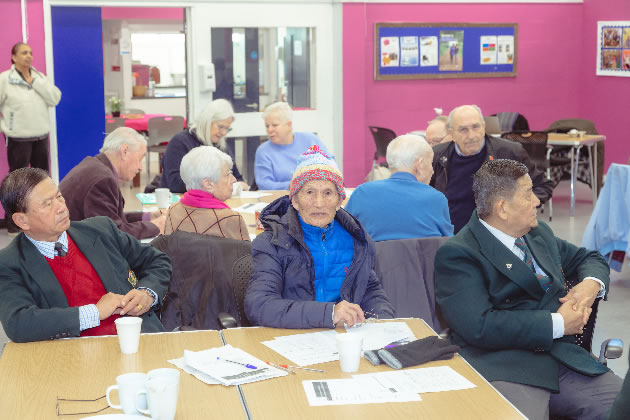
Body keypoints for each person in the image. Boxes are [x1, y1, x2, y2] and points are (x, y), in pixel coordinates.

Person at [435, 159, 622, 420]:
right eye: (527, 194)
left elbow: (589, 258)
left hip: (565, 360)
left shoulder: (536, 233)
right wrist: (558, 323)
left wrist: (589, 287)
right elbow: (478, 326)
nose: (537, 201)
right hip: (508, 366)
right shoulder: (459, 254)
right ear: (502, 208)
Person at [0, 168, 171, 343]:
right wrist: (94, 313)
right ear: (22, 220)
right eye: (47, 204)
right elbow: (18, 323)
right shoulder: (10, 263)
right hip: (74, 357)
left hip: (138, 339)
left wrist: (148, 293)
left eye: (59, 197)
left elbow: (157, 261)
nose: (61, 208)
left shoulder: (100, 230)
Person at [245, 145, 394, 328]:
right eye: (309, 192)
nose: (319, 203)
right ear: (294, 200)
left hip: (343, 337)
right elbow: (260, 305)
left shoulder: (356, 241)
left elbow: (371, 291)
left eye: (328, 193)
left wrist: (383, 323)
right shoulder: (272, 243)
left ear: (340, 201)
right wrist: (329, 313)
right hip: (292, 336)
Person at [430, 104, 553, 234]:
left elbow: (543, 186)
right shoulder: (437, 156)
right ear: (451, 133)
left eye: (476, 127)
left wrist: (519, 205)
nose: (471, 135)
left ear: (484, 127)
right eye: (463, 130)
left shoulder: (509, 153)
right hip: (451, 235)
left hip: (498, 236)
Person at [59, 127, 165, 240]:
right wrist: (157, 226)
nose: (141, 167)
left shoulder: (96, 167)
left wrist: (149, 217)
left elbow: (114, 219)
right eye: (140, 159)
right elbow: (113, 235)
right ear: (124, 151)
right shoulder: (102, 180)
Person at [345, 135, 452, 241]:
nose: (432, 171)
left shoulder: (362, 193)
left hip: (374, 258)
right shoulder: (436, 198)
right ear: (420, 164)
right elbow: (447, 244)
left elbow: (343, 234)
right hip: (421, 258)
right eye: (430, 164)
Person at [160, 99, 248, 193]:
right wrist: (218, 184)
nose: (224, 133)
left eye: (227, 129)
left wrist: (240, 184)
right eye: (221, 127)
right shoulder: (180, 143)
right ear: (207, 121)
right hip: (184, 202)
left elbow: (236, 178)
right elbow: (175, 184)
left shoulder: (222, 146)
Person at [164, 146, 249, 241]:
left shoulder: (172, 210)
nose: (234, 179)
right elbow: (247, 254)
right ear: (208, 184)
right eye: (227, 174)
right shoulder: (230, 219)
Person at [0, 43, 61, 174]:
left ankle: (44, 195)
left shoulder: (40, 77)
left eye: (30, 53)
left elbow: (55, 98)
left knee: (42, 175)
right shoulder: (4, 79)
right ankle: (17, 196)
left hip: (41, 136)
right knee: (18, 177)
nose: (28, 56)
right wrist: (6, 126)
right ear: (14, 57)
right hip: (18, 138)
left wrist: (35, 82)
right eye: (24, 53)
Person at [254, 102, 328, 190]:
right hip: (281, 199)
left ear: (289, 125)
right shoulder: (263, 151)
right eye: (267, 126)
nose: (269, 130)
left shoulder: (311, 140)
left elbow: (330, 166)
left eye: (275, 125)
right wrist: (291, 186)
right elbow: (264, 184)